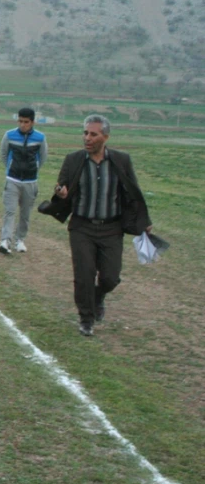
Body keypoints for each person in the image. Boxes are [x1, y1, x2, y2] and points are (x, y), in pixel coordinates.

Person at [42, 115, 152, 337]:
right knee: (84, 275)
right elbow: (61, 185)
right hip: (82, 227)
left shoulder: (121, 160)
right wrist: (60, 192)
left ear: (106, 137)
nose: (87, 138)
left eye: (93, 134)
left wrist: (144, 221)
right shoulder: (73, 160)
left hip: (112, 229)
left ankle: (98, 295)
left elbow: (133, 192)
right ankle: (86, 318)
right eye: (85, 133)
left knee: (111, 277)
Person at [0, 107, 47, 254]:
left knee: (25, 214)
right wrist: (11, 168)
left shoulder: (40, 138)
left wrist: (33, 169)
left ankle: (20, 240)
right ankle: (5, 241)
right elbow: (4, 154)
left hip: (30, 182)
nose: (22, 124)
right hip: (12, 180)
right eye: (20, 121)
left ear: (32, 122)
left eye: (26, 122)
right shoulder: (9, 135)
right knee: (10, 211)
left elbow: (43, 157)